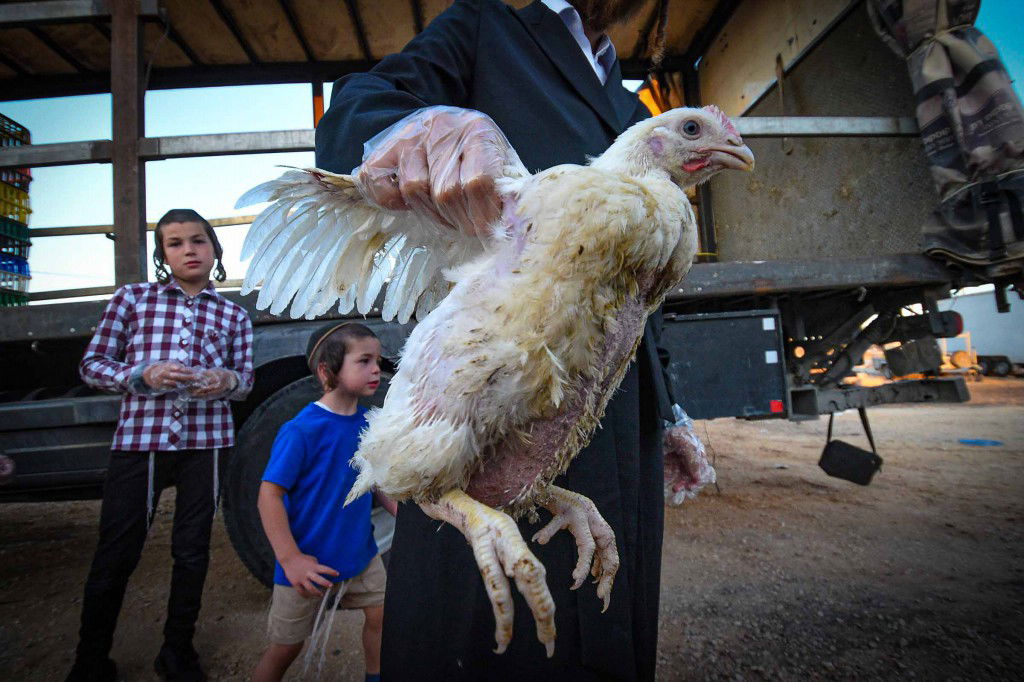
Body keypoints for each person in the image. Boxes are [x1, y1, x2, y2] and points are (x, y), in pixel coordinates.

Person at [314, 1, 678, 679]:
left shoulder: (630, 108)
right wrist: (422, 129)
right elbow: (356, 107)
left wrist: (671, 409)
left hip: (619, 409)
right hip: (496, 396)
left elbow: (642, 293)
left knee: (610, 608)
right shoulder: (486, 30)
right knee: (488, 638)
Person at [67, 209, 254, 682]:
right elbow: (92, 365)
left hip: (207, 442)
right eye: (175, 243)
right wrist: (141, 375)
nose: (189, 250)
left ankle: (177, 652)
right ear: (162, 255)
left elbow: (246, 381)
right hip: (140, 441)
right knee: (117, 551)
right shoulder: (132, 300)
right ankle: (90, 661)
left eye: (198, 240)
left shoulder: (233, 313)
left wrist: (223, 379)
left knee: (192, 550)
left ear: (214, 248)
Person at [252, 322, 397, 682]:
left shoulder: (369, 424)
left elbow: (375, 483)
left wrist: (408, 515)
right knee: (286, 647)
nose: (376, 368)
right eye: (364, 360)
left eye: (377, 360)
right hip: (306, 566)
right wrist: (291, 559)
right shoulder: (301, 430)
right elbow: (269, 495)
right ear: (326, 371)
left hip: (360, 555)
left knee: (382, 617)